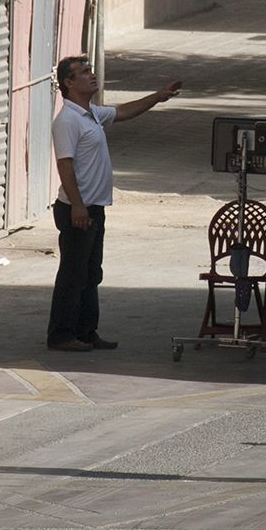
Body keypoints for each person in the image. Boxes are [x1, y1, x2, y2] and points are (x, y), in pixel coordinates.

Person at [46, 57, 182, 352]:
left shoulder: (91, 114)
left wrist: (158, 97)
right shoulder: (67, 121)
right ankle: (61, 334)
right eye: (84, 73)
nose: (92, 75)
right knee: (73, 274)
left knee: (91, 273)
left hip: (94, 208)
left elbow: (124, 111)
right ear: (68, 83)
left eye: (90, 70)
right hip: (77, 209)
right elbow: (65, 165)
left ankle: (86, 331)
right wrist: (78, 206)